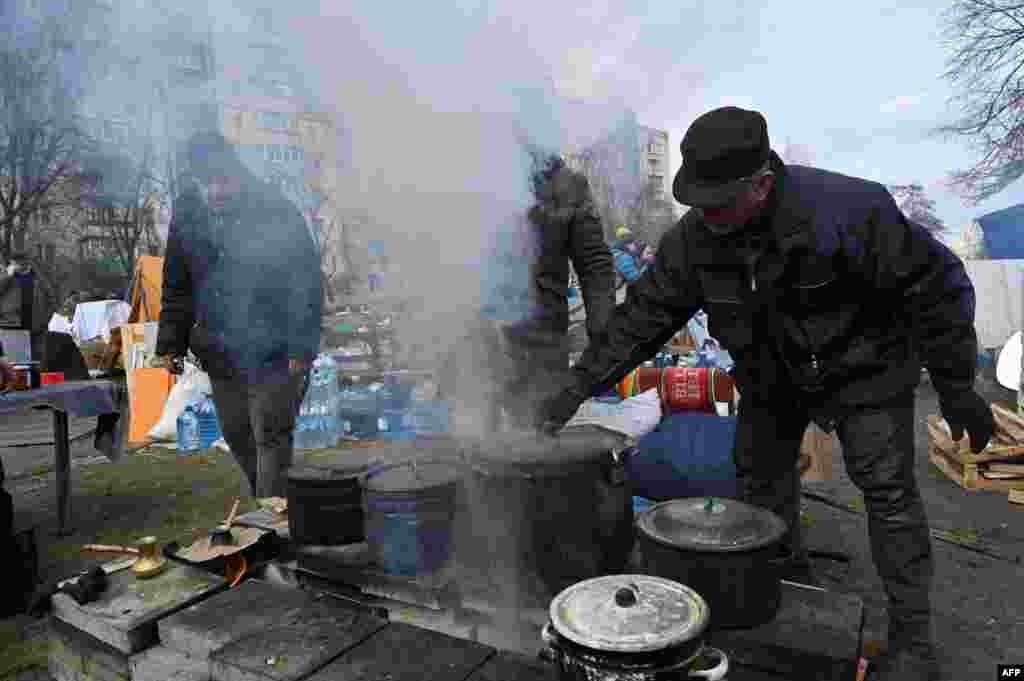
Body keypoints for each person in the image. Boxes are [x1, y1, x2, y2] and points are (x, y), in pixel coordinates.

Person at [538, 107, 993, 681]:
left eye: (719, 203)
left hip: (866, 373)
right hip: (772, 377)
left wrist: (956, 386)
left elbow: (939, 286)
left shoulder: (851, 212)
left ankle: (912, 638)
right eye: (697, 203)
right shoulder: (695, 241)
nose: (707, 217)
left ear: (762, 182)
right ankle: (788, 586)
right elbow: (641, 320)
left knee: (889, 494)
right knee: (758, 480)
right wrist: (578, 385)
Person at [155, 132, 321, 498]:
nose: (213, 191)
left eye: (221, 180)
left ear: (237, 172)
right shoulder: (188, 213)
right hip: (220, 349)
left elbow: (304, 281)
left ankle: (271, 524)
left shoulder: (274, 209)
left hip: (274, 349)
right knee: (237, 435)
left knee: (271, 435)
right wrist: (171, 342)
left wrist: (301, 346)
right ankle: (272, 508)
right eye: (205, 182)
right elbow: (176, 283)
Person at [446, 145, 615, 433]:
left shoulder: (568, 186)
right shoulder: (470, 175)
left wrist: (602, 324)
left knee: (538, 423)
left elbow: (594, 261)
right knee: (475, 428)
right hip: (478, 330)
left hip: (542, 334)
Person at [0, 253, 35, 331]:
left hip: (33, 321)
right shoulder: (6, 275)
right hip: (11, 321)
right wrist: (8, 276)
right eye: (16, 263)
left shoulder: (35, 275)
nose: (20, 265)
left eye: (23, 263)